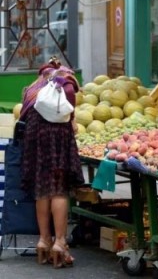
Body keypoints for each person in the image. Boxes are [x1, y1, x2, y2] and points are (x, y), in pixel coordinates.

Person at [20, 58, 84, 269]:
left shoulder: (35, 86)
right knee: (58, 189)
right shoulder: (66, 83)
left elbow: (25, 111)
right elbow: (69, 115)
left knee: (42, 187)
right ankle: (60, 242)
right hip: (57, 135)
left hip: (35, 134)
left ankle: (43, 240)